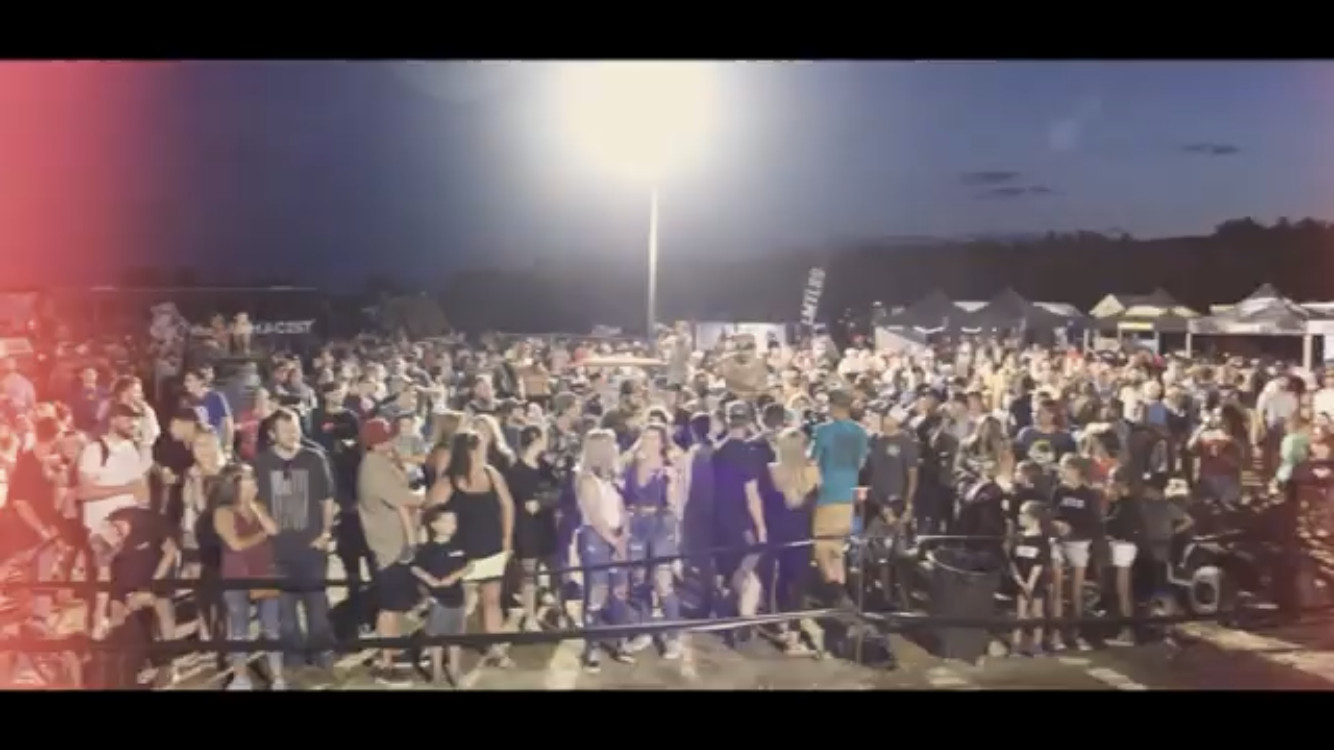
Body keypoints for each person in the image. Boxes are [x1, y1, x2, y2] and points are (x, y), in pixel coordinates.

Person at [252, 408, 335, 670]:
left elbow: (327, 499)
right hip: (278, 551)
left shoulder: (314, 458)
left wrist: (326, 533)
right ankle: (294, 657)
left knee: (317, 607)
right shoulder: (261, 464)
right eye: (286, 430)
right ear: (272, 434)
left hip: (312, 548)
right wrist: (264, 520)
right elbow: (252, 499)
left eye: (296, 429)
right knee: (285, 612)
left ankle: (322, 654)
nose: (293, 434)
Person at [428, 428, 515, 668]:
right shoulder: (448, 482)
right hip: (462, 552)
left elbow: (507, 505)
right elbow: (430, 511)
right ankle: (448, 651)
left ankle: (496, 648)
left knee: (492, 600)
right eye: (479, 448)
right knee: (460, 605)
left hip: (491, 547)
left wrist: (507, 538)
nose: (483, 453)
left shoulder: (492, 474)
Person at [357, 416, 426, 682]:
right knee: (389, 607)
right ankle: (385, 663)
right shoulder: (374, 468)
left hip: (394, 544)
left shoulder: (380, 462)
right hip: (389, 548)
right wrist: (424, 496)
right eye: (389, 437)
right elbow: (406, 499)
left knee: (395, 607)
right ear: (379, 442)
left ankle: (392, 654)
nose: (394, 440)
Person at [76, 402, 150, 638]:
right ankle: (97, 628)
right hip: (101, 527)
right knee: (103, 581)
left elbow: (139, 489)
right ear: (114, 420)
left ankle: (116, 634)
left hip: (130, 528)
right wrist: (124, 489)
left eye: (136, 420)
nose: (133, 424)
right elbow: (84, 492)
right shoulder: (94, 450)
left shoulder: (132, 449)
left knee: (124, 587)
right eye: (128, 419)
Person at [212, 463, 284, 690]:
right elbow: (236, 544)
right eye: (248, 479)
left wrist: (254, 507)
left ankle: (278, 677)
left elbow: (274, 530)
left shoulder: (259, 506)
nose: (254, 483)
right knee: (239, 629)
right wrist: (261, 536)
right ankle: (241, 677)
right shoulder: (223, 512)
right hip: (237, 576)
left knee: (271, 628)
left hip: (264, 573)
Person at [621, 422, 684, 659]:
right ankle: (644, 630)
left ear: (662, 442)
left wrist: (673, 482)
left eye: (654, 438)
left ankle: (673, 638)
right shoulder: (631, 463)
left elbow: (673, 503)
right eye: (645, 437)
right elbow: (625, 495)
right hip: (637, 523)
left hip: (660, 524)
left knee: (662, 582)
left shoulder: (669, 467)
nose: (649, 442)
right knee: (638, 581)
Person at [573, 428, 634, 672]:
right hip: (595, 539)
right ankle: (592, 647)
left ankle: (621, 642)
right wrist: (614, 541)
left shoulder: (614, 478)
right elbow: (595, 517)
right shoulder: (587, 479)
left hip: (616, 535)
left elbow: (622, 509)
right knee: (596, 593)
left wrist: (624, 536)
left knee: (619, 592)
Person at [765, 427, 820, 655]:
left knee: (782, 581)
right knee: (798, 586)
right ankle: (793, 639)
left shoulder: (771, 470)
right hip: (801, 534)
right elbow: (814, 504)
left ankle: (782, 627)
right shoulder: (812, 471)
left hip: (776, 534)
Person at [809, 389, 867, 603]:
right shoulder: (860, 432)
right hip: (847, 496)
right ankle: (841, 593)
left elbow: (813, 461)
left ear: (833, 406)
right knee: (838, 549)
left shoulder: (823, 431)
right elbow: (861, 462)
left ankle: (837, 595)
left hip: (827, 496)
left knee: (822, 548)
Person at [713, 401, 768, 626]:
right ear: (748, 422)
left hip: (720, 522)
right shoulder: (747, 453)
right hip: (742, 523)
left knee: (736, 570)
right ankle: (744, 622)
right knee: (749, 576)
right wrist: (761, 527)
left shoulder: (718, 451)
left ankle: (733, 612)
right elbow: (752, 495)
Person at [506, 424, 559, 631]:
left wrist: (543, 502)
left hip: (547, 526)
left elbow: (558, 492)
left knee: (555, 569)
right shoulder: (515, 472)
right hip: (526, 529)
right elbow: (520, 503)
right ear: (535, 441)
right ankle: (529, 617)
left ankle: (552, 612)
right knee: (529, 573)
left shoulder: (545, 467)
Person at [411, 506, 471, 686]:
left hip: (457, 598)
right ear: (434, 525)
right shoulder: (428, 549)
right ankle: (436, 671)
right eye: (447, 521)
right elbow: (414, 567)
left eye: (454, 522)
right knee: (435, 637)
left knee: (456, 637)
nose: (453, 525)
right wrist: (430, 580)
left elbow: (469, 565)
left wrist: (454, 577)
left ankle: (454, 669)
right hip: (438, 600)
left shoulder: (459, 545)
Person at [1049, 454, 1102, 652]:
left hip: (1079, 543)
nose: (1061, 470)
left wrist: (1074, 528)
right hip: (1058, 542)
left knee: (1076, 591)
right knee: (1056, 589)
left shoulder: (1089, 494)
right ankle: (1056, 635)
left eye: (1065, 467)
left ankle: (1076, 633)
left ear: (1076, 469)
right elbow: (1051, 513)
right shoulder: (1058, 490)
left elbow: (1095, 522)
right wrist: (1058, 525)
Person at [1008, 500, 1050, 656]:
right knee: (1020, 614)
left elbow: (1039, 564)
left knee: (1037, 614)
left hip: (1036, 583)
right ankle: (1016, 646)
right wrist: (1020, 581)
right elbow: (1012, 561)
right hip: (1021, 581)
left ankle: (1036, 646)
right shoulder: (1018, 537)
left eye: (1023, 514)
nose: (1019, 517)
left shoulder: (1042, 541)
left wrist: (1030, 585)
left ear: (1034, 518)